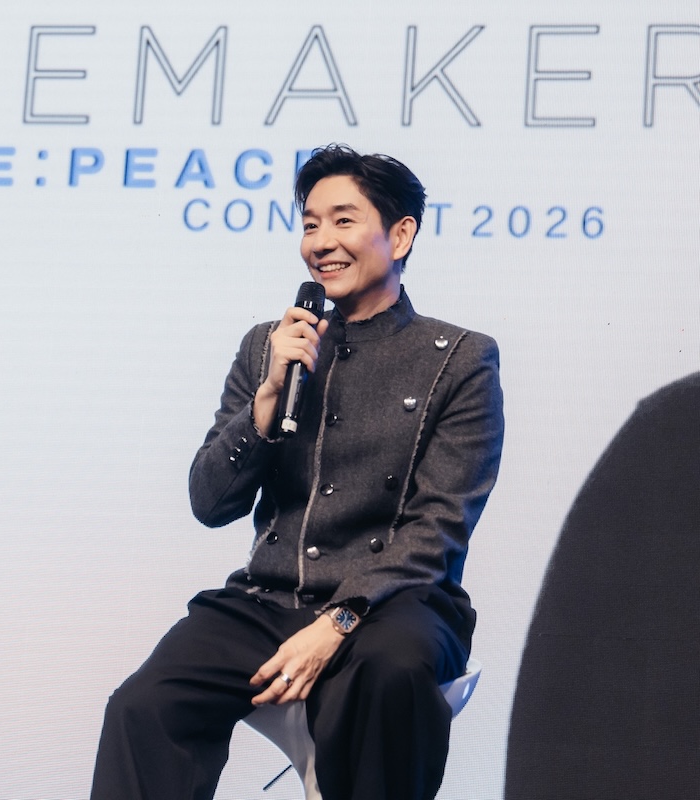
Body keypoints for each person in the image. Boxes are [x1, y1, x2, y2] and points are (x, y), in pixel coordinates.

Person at [90, 145, 504, 800]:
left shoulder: (459, 359)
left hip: (393, 605)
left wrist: (338, 622)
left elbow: (439, 529)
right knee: (144, 705)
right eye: (310, 224)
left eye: (343, 221)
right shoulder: (269, 345)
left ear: (400, 235)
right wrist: (262, 407)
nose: (321, 242)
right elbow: (209, 502)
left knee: (390, 672)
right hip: (266, 600)